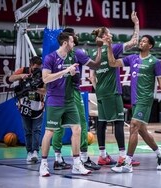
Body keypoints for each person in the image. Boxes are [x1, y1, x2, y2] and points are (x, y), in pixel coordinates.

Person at [105, 34, 161, 173]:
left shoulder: (154, 62)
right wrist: (109, 46)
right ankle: (160, 155)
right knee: (142, 131)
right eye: (141, 40)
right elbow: (112, 63)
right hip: (135, 100)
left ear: (150, 46)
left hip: (145, 99)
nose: (141, 42)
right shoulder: (132, 58)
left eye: (145, 41)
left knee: (133, 126)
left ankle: (127, 163)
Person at [39, 32, 96, 177]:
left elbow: (75, 76)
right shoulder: (50, 58)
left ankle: (77, 164)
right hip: (55, 100)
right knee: (49, 132)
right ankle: (43, 164)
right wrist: (65, 71)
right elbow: (45, 79)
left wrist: (74, 74)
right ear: (65, 43)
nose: (74, 44)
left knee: (77, 129)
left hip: (70, 100)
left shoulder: (73, 57)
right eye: (72, 41)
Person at [88, 11, 140, 166]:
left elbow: (91, 77)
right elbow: (134, 41)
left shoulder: (93, 52)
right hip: (112, 91)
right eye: (109, 33)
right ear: (104, 37)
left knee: (102, 122)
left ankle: (102, 155)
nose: (111, 35)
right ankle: (123, 156)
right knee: (118, 121)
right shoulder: (113, 48)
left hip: (101, 92)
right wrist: (136, 23)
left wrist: (98, 90)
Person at [51, 28, 101, 171]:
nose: (76, 37)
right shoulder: (75, 53)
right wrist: (98, 47)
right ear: (68, 39)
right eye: (74, 36)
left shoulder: (55, 55)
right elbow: (96, 64)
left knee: (58, 126)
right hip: (71, 93)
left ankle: (58, 159)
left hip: (58, 94)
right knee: (81, 123)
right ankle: (83, 158)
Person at [9, 56, 45, 164]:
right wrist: (21, 76)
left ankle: (35, 152)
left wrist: (36, 88)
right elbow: (10, 79)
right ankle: (29, 152)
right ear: (30, 65)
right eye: (35, 68)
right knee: (27, 130)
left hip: (38, 104)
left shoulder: (43, 74)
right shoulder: (23, 70)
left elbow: (46, 91)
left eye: (39, 68)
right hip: (24, 104)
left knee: (37, 130)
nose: (37, 70)